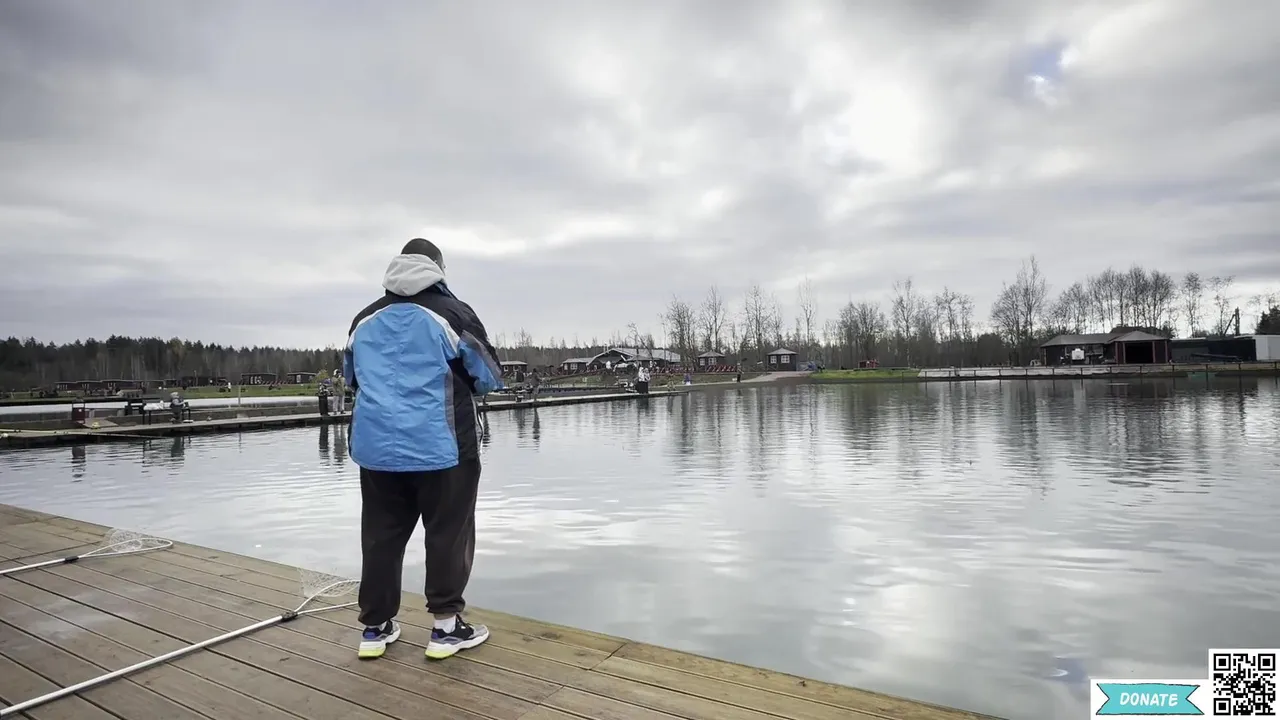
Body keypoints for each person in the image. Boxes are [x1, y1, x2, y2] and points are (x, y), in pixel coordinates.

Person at [342, 238, 505, 661]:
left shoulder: (364, 318)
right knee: (448, 533)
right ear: (438, 268)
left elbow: (351, 377)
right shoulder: (454, 313)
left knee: (380, 536)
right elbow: (488, 376)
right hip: (444, 448)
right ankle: (446, 628)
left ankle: (375, 628)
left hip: (377, 448)